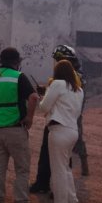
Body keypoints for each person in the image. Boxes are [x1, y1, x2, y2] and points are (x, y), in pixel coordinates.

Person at [0, 47, 39, 203]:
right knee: (22, 169)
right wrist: (29, 117)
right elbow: (33, 98)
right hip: (15, 129)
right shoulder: (18, 77)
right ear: (17, 62)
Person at [30, 44, 88, 194]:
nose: (57, 63)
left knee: (60, 159)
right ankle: (53, 187)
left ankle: (57, 191)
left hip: (61, 120)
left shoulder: (70, 78)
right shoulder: (74, 76)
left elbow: (53, 101)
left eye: (59, 60)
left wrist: (46, 93)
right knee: (60, 156)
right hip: (69, 121)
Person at [36, 59, 84, 203]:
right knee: (65, 167)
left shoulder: (57, 84)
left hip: (58, 130)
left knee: (58, 169)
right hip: (72, 130)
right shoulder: (78, 90)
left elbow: (44, 107)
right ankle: (72, 200)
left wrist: (40, 98)